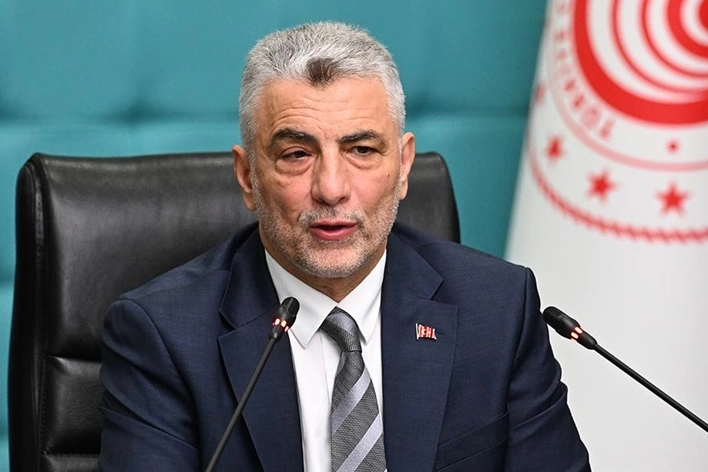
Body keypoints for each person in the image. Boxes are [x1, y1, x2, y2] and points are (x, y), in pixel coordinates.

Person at [98, 21, 590, 471]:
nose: (331, 188)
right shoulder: (163, 335)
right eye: (296, 154)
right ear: (248, 177)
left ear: (403, 167)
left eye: (361, 150)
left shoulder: (497, 309)